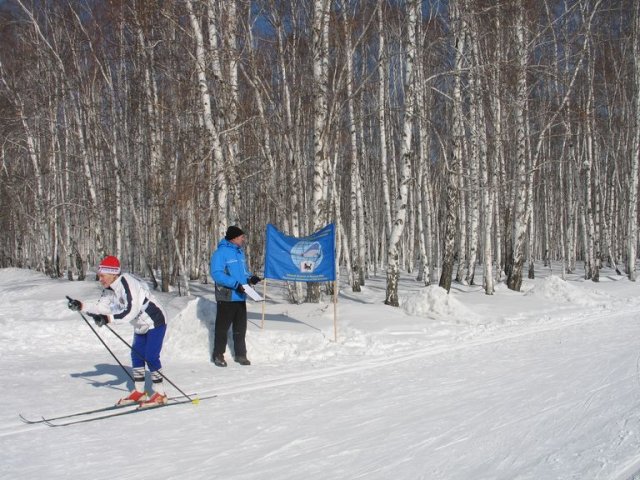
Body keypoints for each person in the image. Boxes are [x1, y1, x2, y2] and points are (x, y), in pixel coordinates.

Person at [66, 255, 169, 408]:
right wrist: (81, 305)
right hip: (140, 324)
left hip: (156, 320)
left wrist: (107, 319)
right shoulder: (109, 289)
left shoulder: (128, 284)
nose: (100, 279)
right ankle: (140, 392)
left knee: (151, 356)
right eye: (99, 275)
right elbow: (101, 308)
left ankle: (160, 394)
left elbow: (130, 312)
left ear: (113, 274)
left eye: (102, 275)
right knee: (136, 355)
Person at [210, 226, 261, 367]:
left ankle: (241, 355)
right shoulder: (220, 253)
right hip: (227, 296)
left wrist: (251, 278)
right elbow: (217, 274)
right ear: (233, 238)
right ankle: (218, 355)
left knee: (240, 328)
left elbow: (243, 273)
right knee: (222, 328)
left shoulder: (239, 253)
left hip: (240, 296)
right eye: (241, 237)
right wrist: (235, 284)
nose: (243, 239)